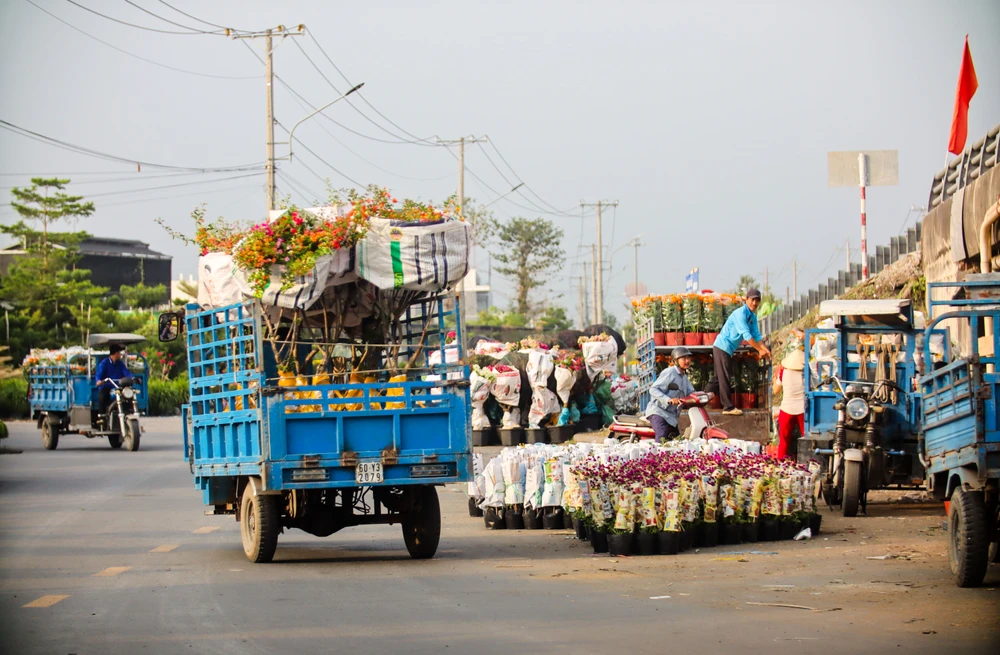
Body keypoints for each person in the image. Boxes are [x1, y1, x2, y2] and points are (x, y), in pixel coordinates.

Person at [707, 288, 771, 416]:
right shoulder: (740, 314)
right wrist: (759, 350)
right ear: (746, 299)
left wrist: (765, 350)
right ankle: (728, 407)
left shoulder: (752, 316)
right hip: (722, 346)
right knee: (725, 377)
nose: (754, 303)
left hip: (727, 349)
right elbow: (747, 335)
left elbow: (756, 335)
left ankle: (701, 400)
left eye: (757, 300)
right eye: (752, 300)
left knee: (717, 379)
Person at [645, 346, 695, 441]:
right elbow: (653, 389)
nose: (687, 361)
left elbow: (691, 393)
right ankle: (656, 451)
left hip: (671, 416)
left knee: (677, 440)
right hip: (659, 412)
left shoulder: (684, 377)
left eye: (688, 358)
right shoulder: (670, 372)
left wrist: (705, 395)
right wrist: (669, 400)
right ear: (675, 361)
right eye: (684, 358)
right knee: (662, 436)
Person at [772, 349, 805, 460]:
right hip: (802, 409)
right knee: (807, 438)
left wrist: (775, 378)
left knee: (784, 441)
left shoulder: (783, 373)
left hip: (786, 408)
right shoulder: (806, 374)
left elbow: (775, 390)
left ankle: (780, 462)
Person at [95, 344, 133, 421]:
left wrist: (133, 378)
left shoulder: (120, 363)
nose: (120, 354)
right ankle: (102, 417)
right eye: (119, 352)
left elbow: (126, 372)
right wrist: (98, 381)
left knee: (129, 395)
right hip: (107, 386)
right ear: (116, 353)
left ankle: (129, 413)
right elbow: (99, 374)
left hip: (117, 386)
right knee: (102, 397)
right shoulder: (104, 363)